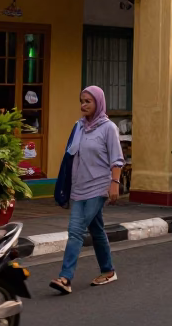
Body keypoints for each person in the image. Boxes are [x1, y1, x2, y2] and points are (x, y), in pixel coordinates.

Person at [50, 87, 123, 294]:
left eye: (88, 101)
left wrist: (114, 184)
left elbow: (117, 159)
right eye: (81, 101)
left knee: (75, 230)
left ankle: (65, 277)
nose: (83, 105)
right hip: (78, 187)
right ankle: (108, 271)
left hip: (99, 186)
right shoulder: (78, 126)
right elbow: (70, 157)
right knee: (96, 229)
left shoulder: (109, 128)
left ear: (98, 102)